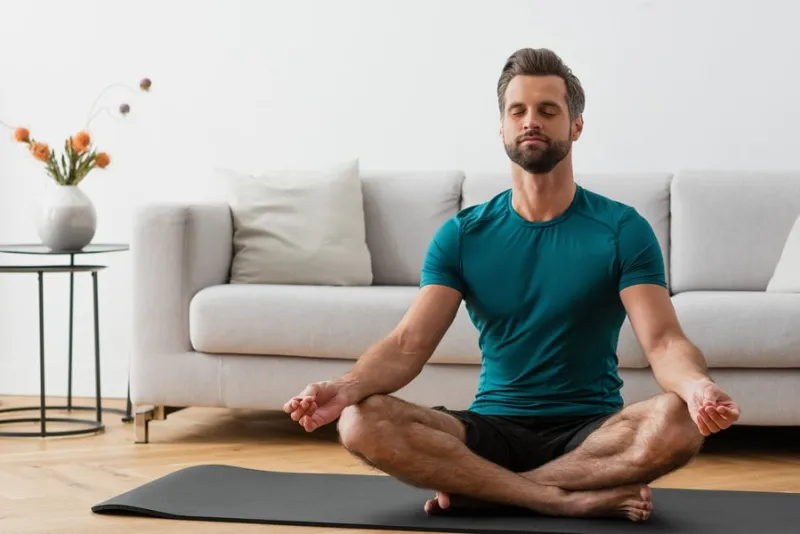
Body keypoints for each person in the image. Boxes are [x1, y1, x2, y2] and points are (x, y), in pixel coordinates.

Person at [283, 47, 741, 522]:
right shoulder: (463, 235)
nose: (531, 121)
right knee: (361, 420)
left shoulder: (622, 229)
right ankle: (560, 498)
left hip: (592, 433)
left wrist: (697, 387)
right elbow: (406, 345)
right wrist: (344, 386)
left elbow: (664, 342)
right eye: (517, 110)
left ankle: (490, 491)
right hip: (491, 429)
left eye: (549, 110)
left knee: (681, 421)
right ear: (501, 127)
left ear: (576, 126)